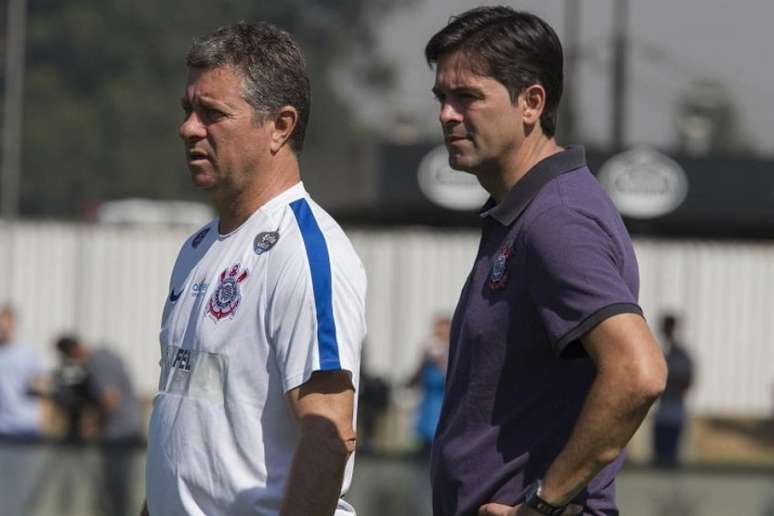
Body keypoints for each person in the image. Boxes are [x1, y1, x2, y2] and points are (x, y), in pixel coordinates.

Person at [424, 7, 667, 516]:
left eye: (467, 96)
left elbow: (637, 372)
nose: (447, 114)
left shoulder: (557, 218)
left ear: (531, 102)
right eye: (442, 97)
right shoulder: (528, 211)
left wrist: (543, 504)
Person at [143, 21, 367, 516]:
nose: (188, 128)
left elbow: (330, 434)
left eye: (212, 113)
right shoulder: (197, 249)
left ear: (280, 127)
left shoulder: (306, 253)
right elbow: (181, 426)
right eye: (187, 110)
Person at [55, 335, 143, 516]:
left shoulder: (97, 362)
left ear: (73, 352)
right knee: (116, 489)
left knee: (116, 490)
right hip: (125, 431)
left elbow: (110, 399)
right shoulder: (104, 355)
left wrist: (92, 426)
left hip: (119, 436)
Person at [652, 314, 694, 468]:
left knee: (671, 456)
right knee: (659, 456)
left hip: (674, 409)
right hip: (660, 410)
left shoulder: (681, 355)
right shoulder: (656, 349)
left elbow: (687, 381)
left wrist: (667, 384)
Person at [0, 304, 46, 440]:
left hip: (25, 426)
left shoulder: (28, 353)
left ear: (13, 325)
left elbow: (43, 389)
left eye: (5, 325)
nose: (2, 329)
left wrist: (43, 421)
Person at [408, 314, 450, 459]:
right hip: (428, 398)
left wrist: (440, 359)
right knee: (425, 437)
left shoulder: (451, 347)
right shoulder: (429, 347)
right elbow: (418, 372)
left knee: (439, 434)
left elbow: (449, 373)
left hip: (442, 398)